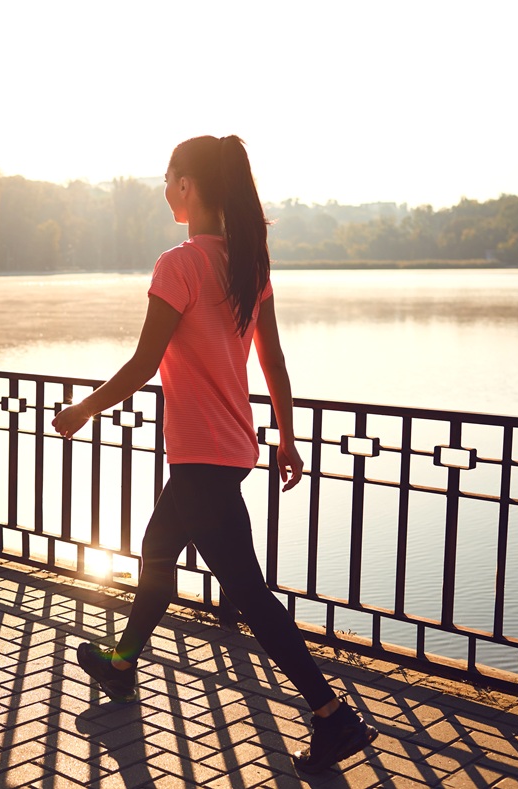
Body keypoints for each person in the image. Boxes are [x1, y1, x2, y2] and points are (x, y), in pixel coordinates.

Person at [51, 135, 378, 774]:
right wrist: (286, 435)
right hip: (227, 451)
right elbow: (274, 361)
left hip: (201, 457)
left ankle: (331, 716)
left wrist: (82, 410)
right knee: (157, 551)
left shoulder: (178, 264)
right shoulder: (248, 266)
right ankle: (122, 665)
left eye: (170, 177)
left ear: (191, 186)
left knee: (249, 595)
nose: (164, 188)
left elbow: (146, 363)